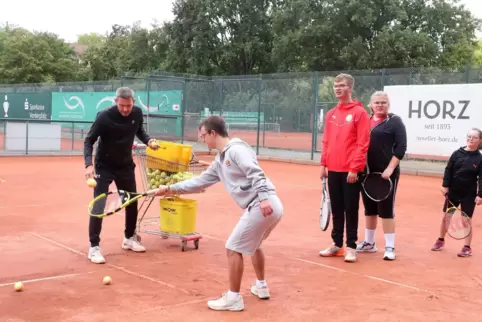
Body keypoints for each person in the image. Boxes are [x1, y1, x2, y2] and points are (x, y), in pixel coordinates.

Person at [154, 115, 283, 312]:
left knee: (233, 248)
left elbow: (256, 172)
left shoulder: (236, 150)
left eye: (203, 136)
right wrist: (171, 188)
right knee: (254, 245)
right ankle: (261, 286)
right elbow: (199, 182)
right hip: (269, 206)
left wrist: (263, 198)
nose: (202, 140)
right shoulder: (221, 159)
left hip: (262, 204)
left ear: (213, 133)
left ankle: (233, 298)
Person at [83, 87, 159, 264]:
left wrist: (148, 141)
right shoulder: (104, 117)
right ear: (116, 101)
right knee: (99, 205)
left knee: (131, 201)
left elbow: (139, 131)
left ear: (133, 102)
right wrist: (88, 165)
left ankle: (129, 238)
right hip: (104, 166)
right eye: (122, 105)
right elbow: (89, 140)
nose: (126, 109)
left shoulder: (137, 113)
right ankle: (94, 247)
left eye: (129, 105)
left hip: (125, 165)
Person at [319, 73, 371, 262]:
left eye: (341, 85)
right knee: (338, 208)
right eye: (335, 86)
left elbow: (362, 143)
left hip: (350, 171)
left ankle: (351, 246)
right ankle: (337, 244)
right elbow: (326, 141)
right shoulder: (331, 113)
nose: (337, 89)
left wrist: (355, 168)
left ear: (350, 88)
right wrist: (323, 164)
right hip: (332, 168)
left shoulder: (360, 113)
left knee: (351, 208)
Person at [355, 91, 407, 261]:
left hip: (386, 174)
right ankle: (369, 243)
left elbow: (401, 148)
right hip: (366, 173)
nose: (380, 105)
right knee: (369, 208)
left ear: (388, 104)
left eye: (383, 102)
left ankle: (390, 246)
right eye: (377, 102)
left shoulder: (394, 121)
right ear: (370, 105)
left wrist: (390, 169)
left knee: (386, 210)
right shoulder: (366, 121)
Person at [431, 128, 482, 257]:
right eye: (469, 136)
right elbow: (448, 170)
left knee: (466, 221)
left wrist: (480, 195)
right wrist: (445, 185)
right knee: (446, 218)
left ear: (480, 141)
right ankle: (441, 240)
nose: (471, 139)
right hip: (453, 192)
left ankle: (467, 247)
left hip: (469, 194)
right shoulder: (456, 154)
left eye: (474, 137)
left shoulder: (479, 158)